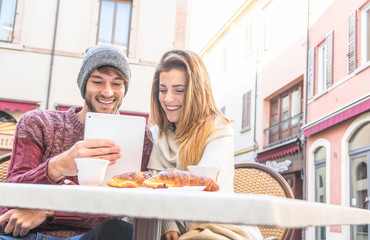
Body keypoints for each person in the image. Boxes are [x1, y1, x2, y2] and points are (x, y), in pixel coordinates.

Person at [0, 44, 152, 240]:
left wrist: (47, 211)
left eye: (117, 83)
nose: (107, 92)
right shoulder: (38, 122)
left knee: (121, 230)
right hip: (28, 235)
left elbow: (114, 210)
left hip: (88, 237)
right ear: (83, 84)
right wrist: (56, 167)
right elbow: (11, 195)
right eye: (97, 82)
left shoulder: (138, 137)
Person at [147, 49, 263, 240]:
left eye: (179, 90)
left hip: (219, 227)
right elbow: (150, 187)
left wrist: (165, 200)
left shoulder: (218, 129)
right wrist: (167, 220)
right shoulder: (157, 134)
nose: (168, 98)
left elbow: (204, 187)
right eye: (163, 90)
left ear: (196, 92)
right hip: (172, 227)